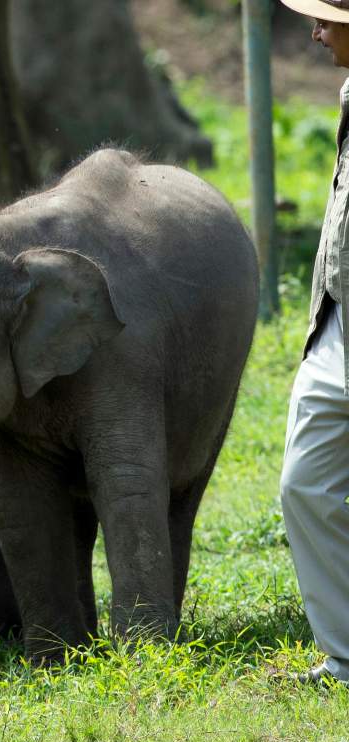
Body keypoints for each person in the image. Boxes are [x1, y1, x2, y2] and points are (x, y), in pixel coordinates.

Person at [278, 0, 349, 686]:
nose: (315, 31)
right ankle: (347, 654)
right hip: (335, 322)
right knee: (304, 485)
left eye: (327, 18)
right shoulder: (348, 92)